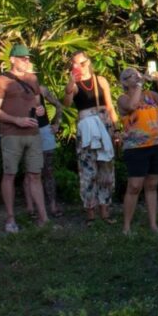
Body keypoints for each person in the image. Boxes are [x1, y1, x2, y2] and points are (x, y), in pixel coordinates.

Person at [0, 44, 48, 233]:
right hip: (11, 134)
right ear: (12, 59)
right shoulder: (2, 81)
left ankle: (43, 218)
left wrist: (40, 110)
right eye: (22, 58)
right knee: (10, 175)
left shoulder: (32, 78)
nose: (26, 60)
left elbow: (38, 104)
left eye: (28, 58)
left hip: (33, 134)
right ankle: (10, 218)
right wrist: (17, 120)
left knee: (35, 175)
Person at [117, 66, 158, 235]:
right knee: (134, 186)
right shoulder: (123, 98)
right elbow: (132, 105)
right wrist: (140, 83)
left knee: (152, 184)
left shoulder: (150, 95)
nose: (134, 76)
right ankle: (126, 227)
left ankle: (153, 225)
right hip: (136, 148)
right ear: (124, 83)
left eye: (136, 73)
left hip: (157, 144)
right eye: (129, 76)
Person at [63, 51, 118, 226]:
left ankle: (105, 209)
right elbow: (66, 102)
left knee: (106, 169)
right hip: (86, 129)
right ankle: (90, 212)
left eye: (83, 63)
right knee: (88, 171)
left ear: (89, 62)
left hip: (104, 126)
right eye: (76, 63)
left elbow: (110, 106)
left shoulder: (101, 80)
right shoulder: (75, 84)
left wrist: (116, 130)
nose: (81, 66)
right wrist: (71, 81)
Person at [25, 81, 65, 218]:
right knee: (30, 171)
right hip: (27, 131)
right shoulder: (16, 90)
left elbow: (58, 104)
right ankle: (31, 208)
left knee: (48, 170)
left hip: (44, 130)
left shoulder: (41, 89)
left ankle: (53, 205)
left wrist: (57, 123)